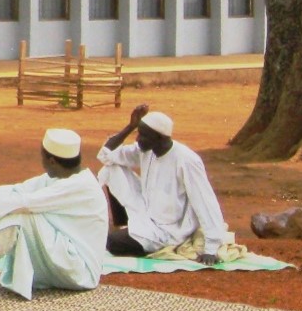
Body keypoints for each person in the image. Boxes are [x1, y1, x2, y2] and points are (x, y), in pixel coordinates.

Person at [0, 127, 106, 299]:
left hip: (80, 271)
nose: (42, 163)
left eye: (43, 158)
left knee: (17, 214)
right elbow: (14, 191)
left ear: (52, 161)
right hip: (63, 259)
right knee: (5, 206)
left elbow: (24, 203)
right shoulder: (59, 178)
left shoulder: (82, 187)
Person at [96, 104, 227, 263]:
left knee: (112, 242)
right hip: (146, 213)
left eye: (143, 135)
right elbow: (106, 155)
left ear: (159, 138)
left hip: (168, 231)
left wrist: (211, 248)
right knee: (111, 169)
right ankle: (124, 227)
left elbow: (205, 201)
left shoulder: (186, 160)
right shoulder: (145, 150)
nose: (137, 139)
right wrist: (130, 127)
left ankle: (142, 239)